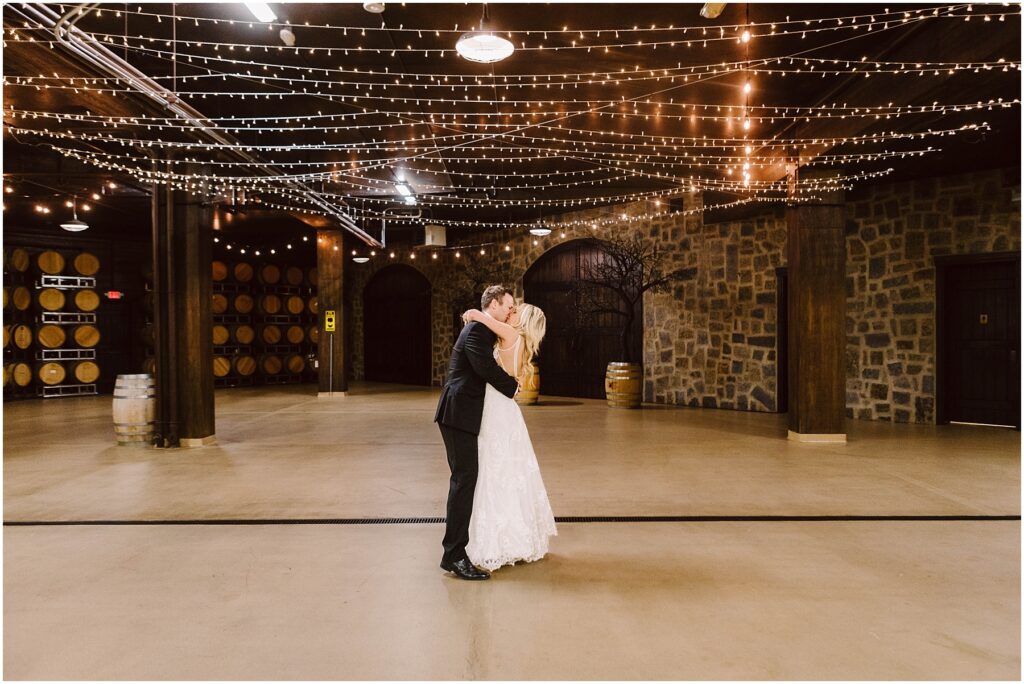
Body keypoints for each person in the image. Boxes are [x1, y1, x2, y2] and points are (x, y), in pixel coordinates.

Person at [461, 301, 557, 573]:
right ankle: (516, 539)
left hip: (494, 407)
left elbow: (480, 316)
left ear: (522, 319)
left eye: (515, 311)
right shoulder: (522, 342)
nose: (510, 312)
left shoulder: (510, 333)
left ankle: (497, 542)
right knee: (510, 472)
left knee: (493, 471)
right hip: (507, 410)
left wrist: (473, 314)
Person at [434, 285, 520, 581]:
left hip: (464, 414)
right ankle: (454, 555)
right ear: (493, 304)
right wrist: (513, 386)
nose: (511, 311)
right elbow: (483, 367)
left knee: (466, 479)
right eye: (508, 306)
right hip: (457, 414)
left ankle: (456, 551)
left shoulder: (483, 328)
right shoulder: (476, 331)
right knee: (463, 480)